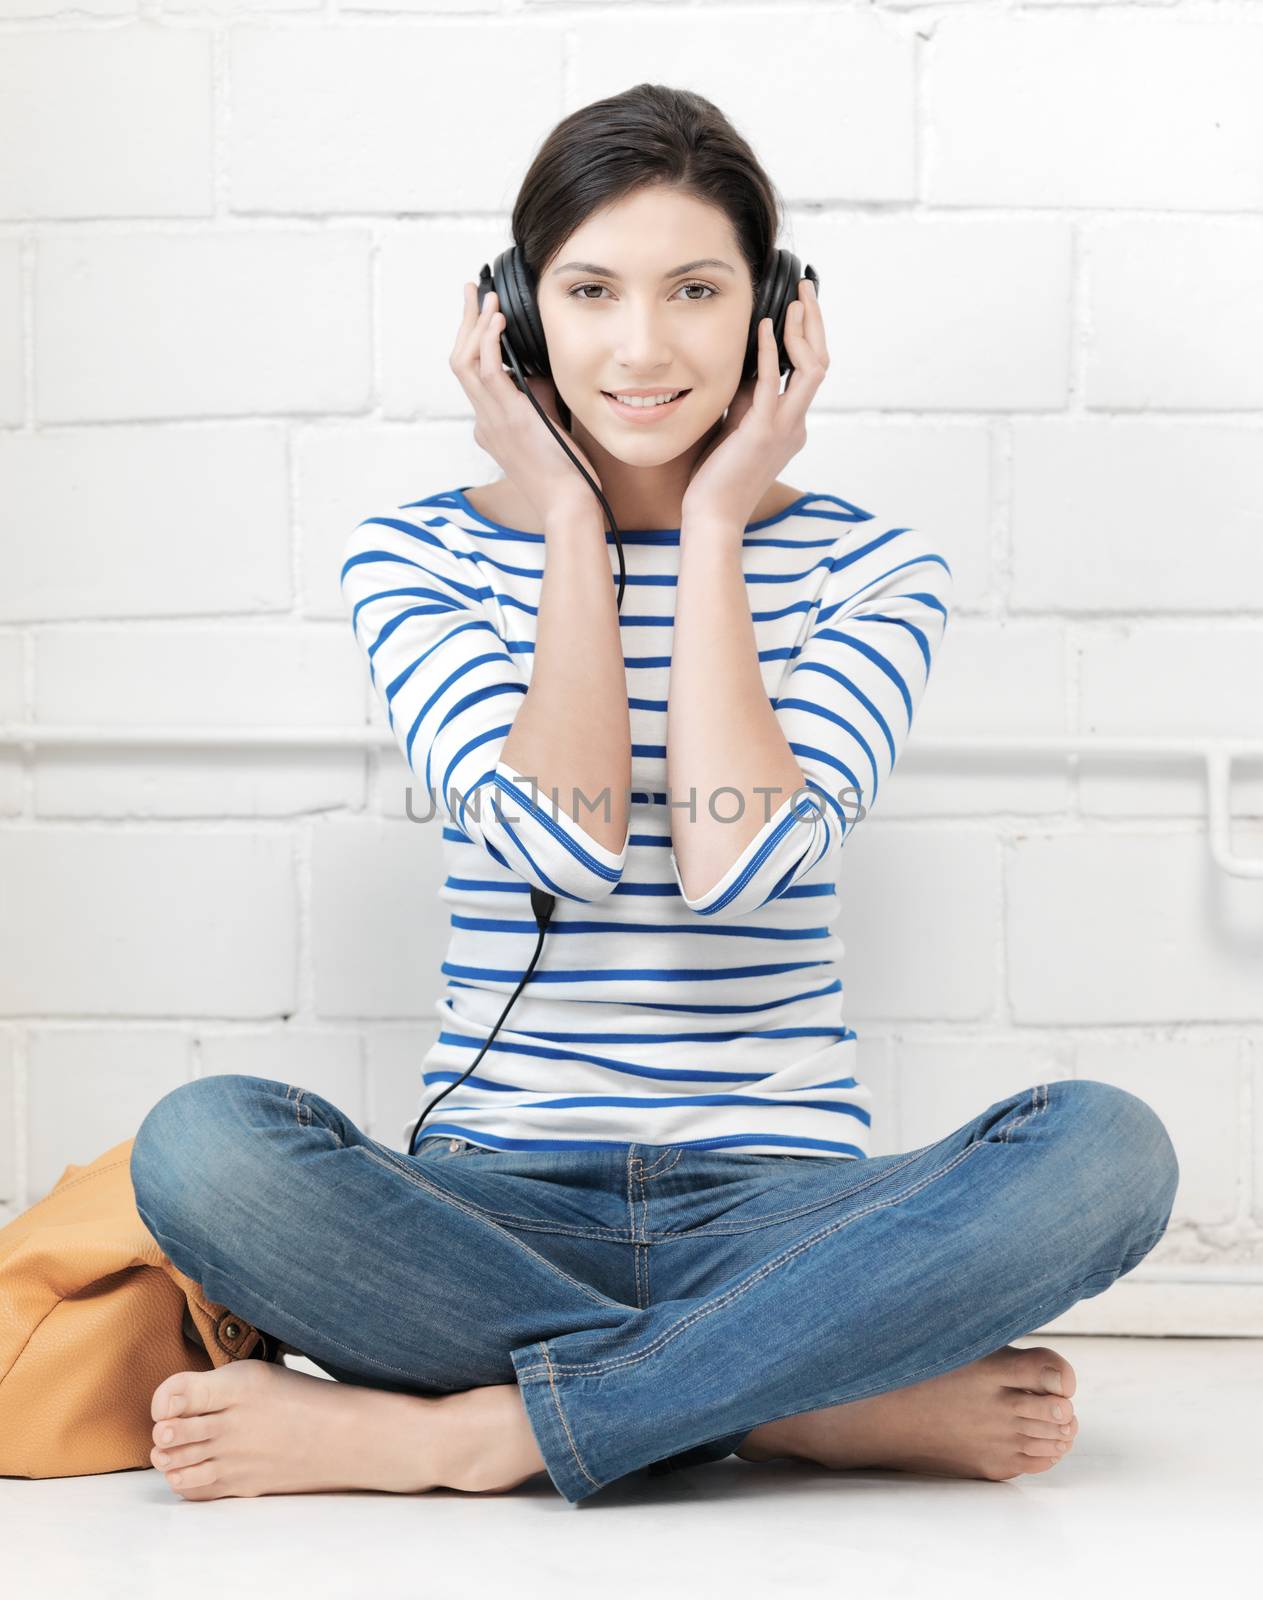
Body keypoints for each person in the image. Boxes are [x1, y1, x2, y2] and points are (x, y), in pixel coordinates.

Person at [128, 84, 1179, 1507]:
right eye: (589, 290)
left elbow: (734, 869)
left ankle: (472, 1433)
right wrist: (571, 518)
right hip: (492, 1204)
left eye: (694, 290)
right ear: (514, 317)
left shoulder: (875, 571)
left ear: (772, 315)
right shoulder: (415, 562)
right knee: (206, 1149)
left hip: (789, 1214)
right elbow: (566, 841)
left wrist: (712, 525)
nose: (639, 346)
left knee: (1109, 1152)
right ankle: (789, 1403)